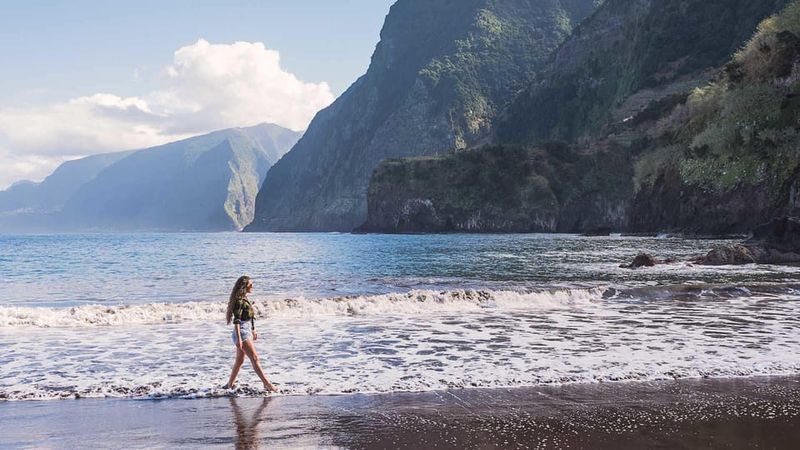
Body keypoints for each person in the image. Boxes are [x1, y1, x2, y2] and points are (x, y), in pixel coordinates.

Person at [224, 275, 277, 392]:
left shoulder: (244, 298)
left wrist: (253, 329)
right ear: (244, 286)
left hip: (246, 330)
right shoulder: (239, 301)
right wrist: (238, 339)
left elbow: (250, 316)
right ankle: (267, 384)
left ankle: (229, 385)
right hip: (241, 332)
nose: (252, 286)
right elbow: (236, 321)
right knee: (255, 358)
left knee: (239, 361)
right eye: (250, 284)